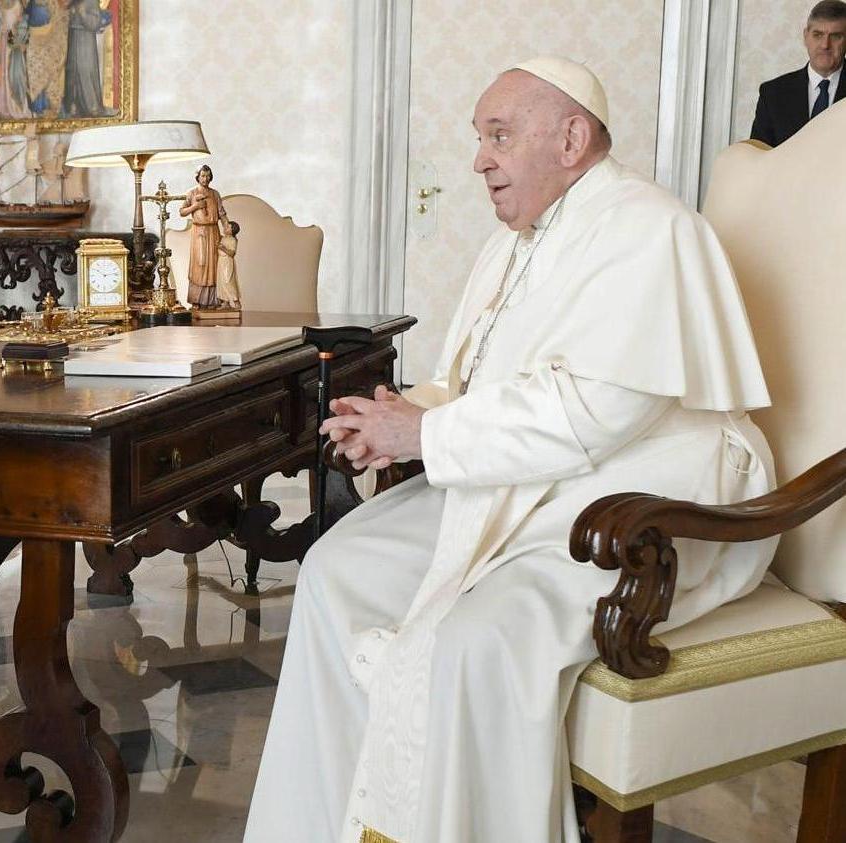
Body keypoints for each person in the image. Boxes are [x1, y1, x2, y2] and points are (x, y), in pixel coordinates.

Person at [245, 56, 776, 843]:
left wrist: (424, 433)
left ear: (571, 139)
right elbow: (478, 385)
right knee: (334, 569)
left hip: (644, 504)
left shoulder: (648, 227)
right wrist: (405, 412)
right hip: (536, 483)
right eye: (479, 137)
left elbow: (601, 407)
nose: (479, 159)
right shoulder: (515, 244)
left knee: (473, 639)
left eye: (500, 134)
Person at [750, 0, 846, 147]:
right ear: (806, 36)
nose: (825, 45)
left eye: (835, 36)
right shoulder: (773, 93)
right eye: (817, 35)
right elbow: (759, 158)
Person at [179, 164, 227, 309]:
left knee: (214, 264)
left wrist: (226, 226)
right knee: (200, 263)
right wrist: (195, 207)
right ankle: (196, 300)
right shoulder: (191, 193)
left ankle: (213, 300)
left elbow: (222, 212)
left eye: (207, 176)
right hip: (199, 232)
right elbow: (182, 211)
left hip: (213, 231)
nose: (205, 179)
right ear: (198, 177)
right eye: (202, 176)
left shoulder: (215, 194)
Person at [61, 0, 109, 118]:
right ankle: (72, 105)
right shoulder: (72, 2)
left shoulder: (91, 1)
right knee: (72, 72)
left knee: (85, 71)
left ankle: (92, 106)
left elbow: (95, 23)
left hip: (86, 39)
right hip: (72, 37)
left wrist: (83, 14)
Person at [215, 218, 241, 309]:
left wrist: (223, 248)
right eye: (226, 226)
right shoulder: (224, 238)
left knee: (228, 281)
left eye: (228, 227)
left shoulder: (233, 240)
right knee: (221, 281)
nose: (225, 228)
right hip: (221, 261)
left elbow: (232, 253)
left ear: (232, 231)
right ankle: (225, 302)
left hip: (227, 262)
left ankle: (236, 301)